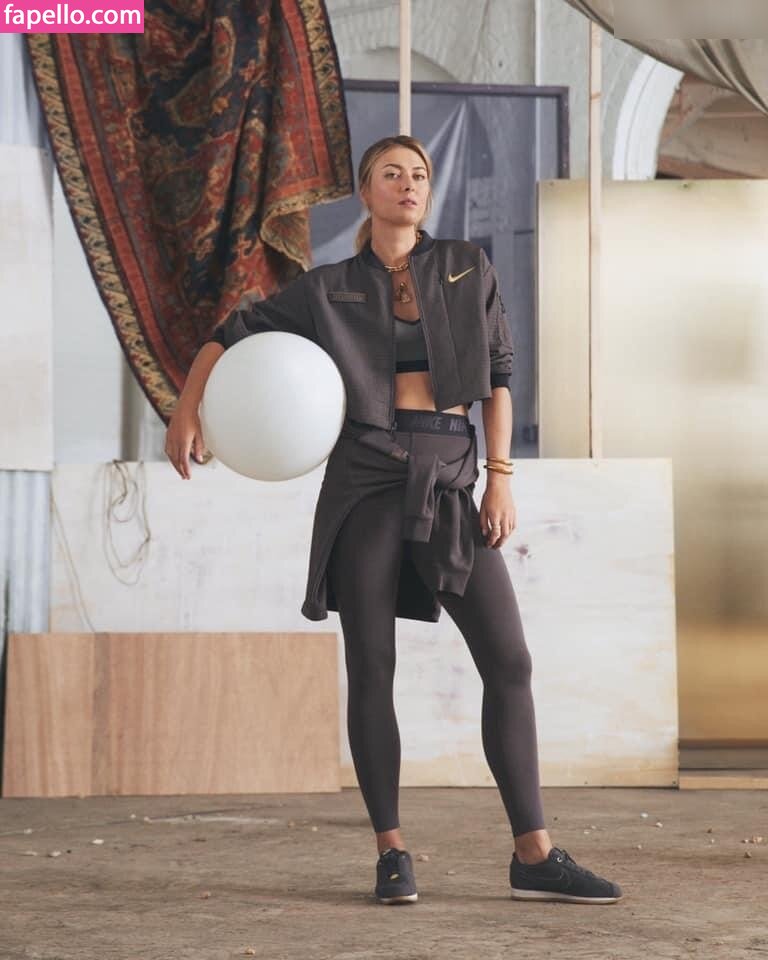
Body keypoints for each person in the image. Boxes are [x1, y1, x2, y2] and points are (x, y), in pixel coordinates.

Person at [165, 134, 623, 907]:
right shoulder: (328, 288)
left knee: (509, 661)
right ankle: (392, 852)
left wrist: (501, 480)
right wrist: (188, 410)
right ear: (366, 191)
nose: (408, 185)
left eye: (418, 174)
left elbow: (499, 379)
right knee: (374, 667)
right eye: (391, 174)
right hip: (367, 483)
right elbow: (230, 333)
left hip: (450, 481)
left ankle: (534, 854)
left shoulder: (467, 266)